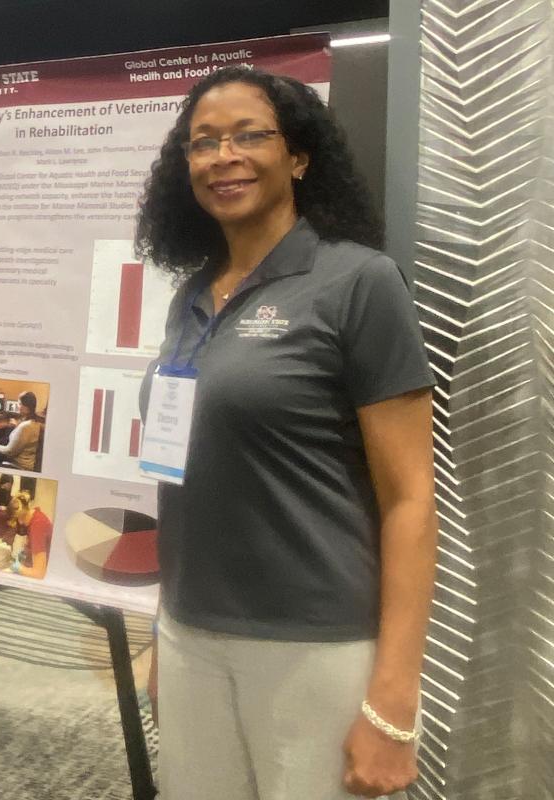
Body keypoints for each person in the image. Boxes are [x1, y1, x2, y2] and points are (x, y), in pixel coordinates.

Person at [135, 65, 437, 800]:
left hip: (314, 644)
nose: (222, 156)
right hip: (189, 633)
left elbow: (411, 499)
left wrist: (395, 702)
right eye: (202, 143)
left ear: (298, 156)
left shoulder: (359, 284)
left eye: (249, 135)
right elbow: (186, 473)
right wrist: (161, 628)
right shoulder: (191, 297)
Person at [0, 391, 42, 471]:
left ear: (27, 408)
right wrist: (17, 426)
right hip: (29, 463)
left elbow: (9, 451)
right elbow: (26, 435)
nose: (17, 406)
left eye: (20, 404)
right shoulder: (35, 422)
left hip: (18, 465)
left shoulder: (24, 427)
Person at [7, 491, 52, 579]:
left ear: (18, 519)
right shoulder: (35, 515)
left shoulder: (38, 526)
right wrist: (26, 552)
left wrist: (18, 568)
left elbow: (39, 574)